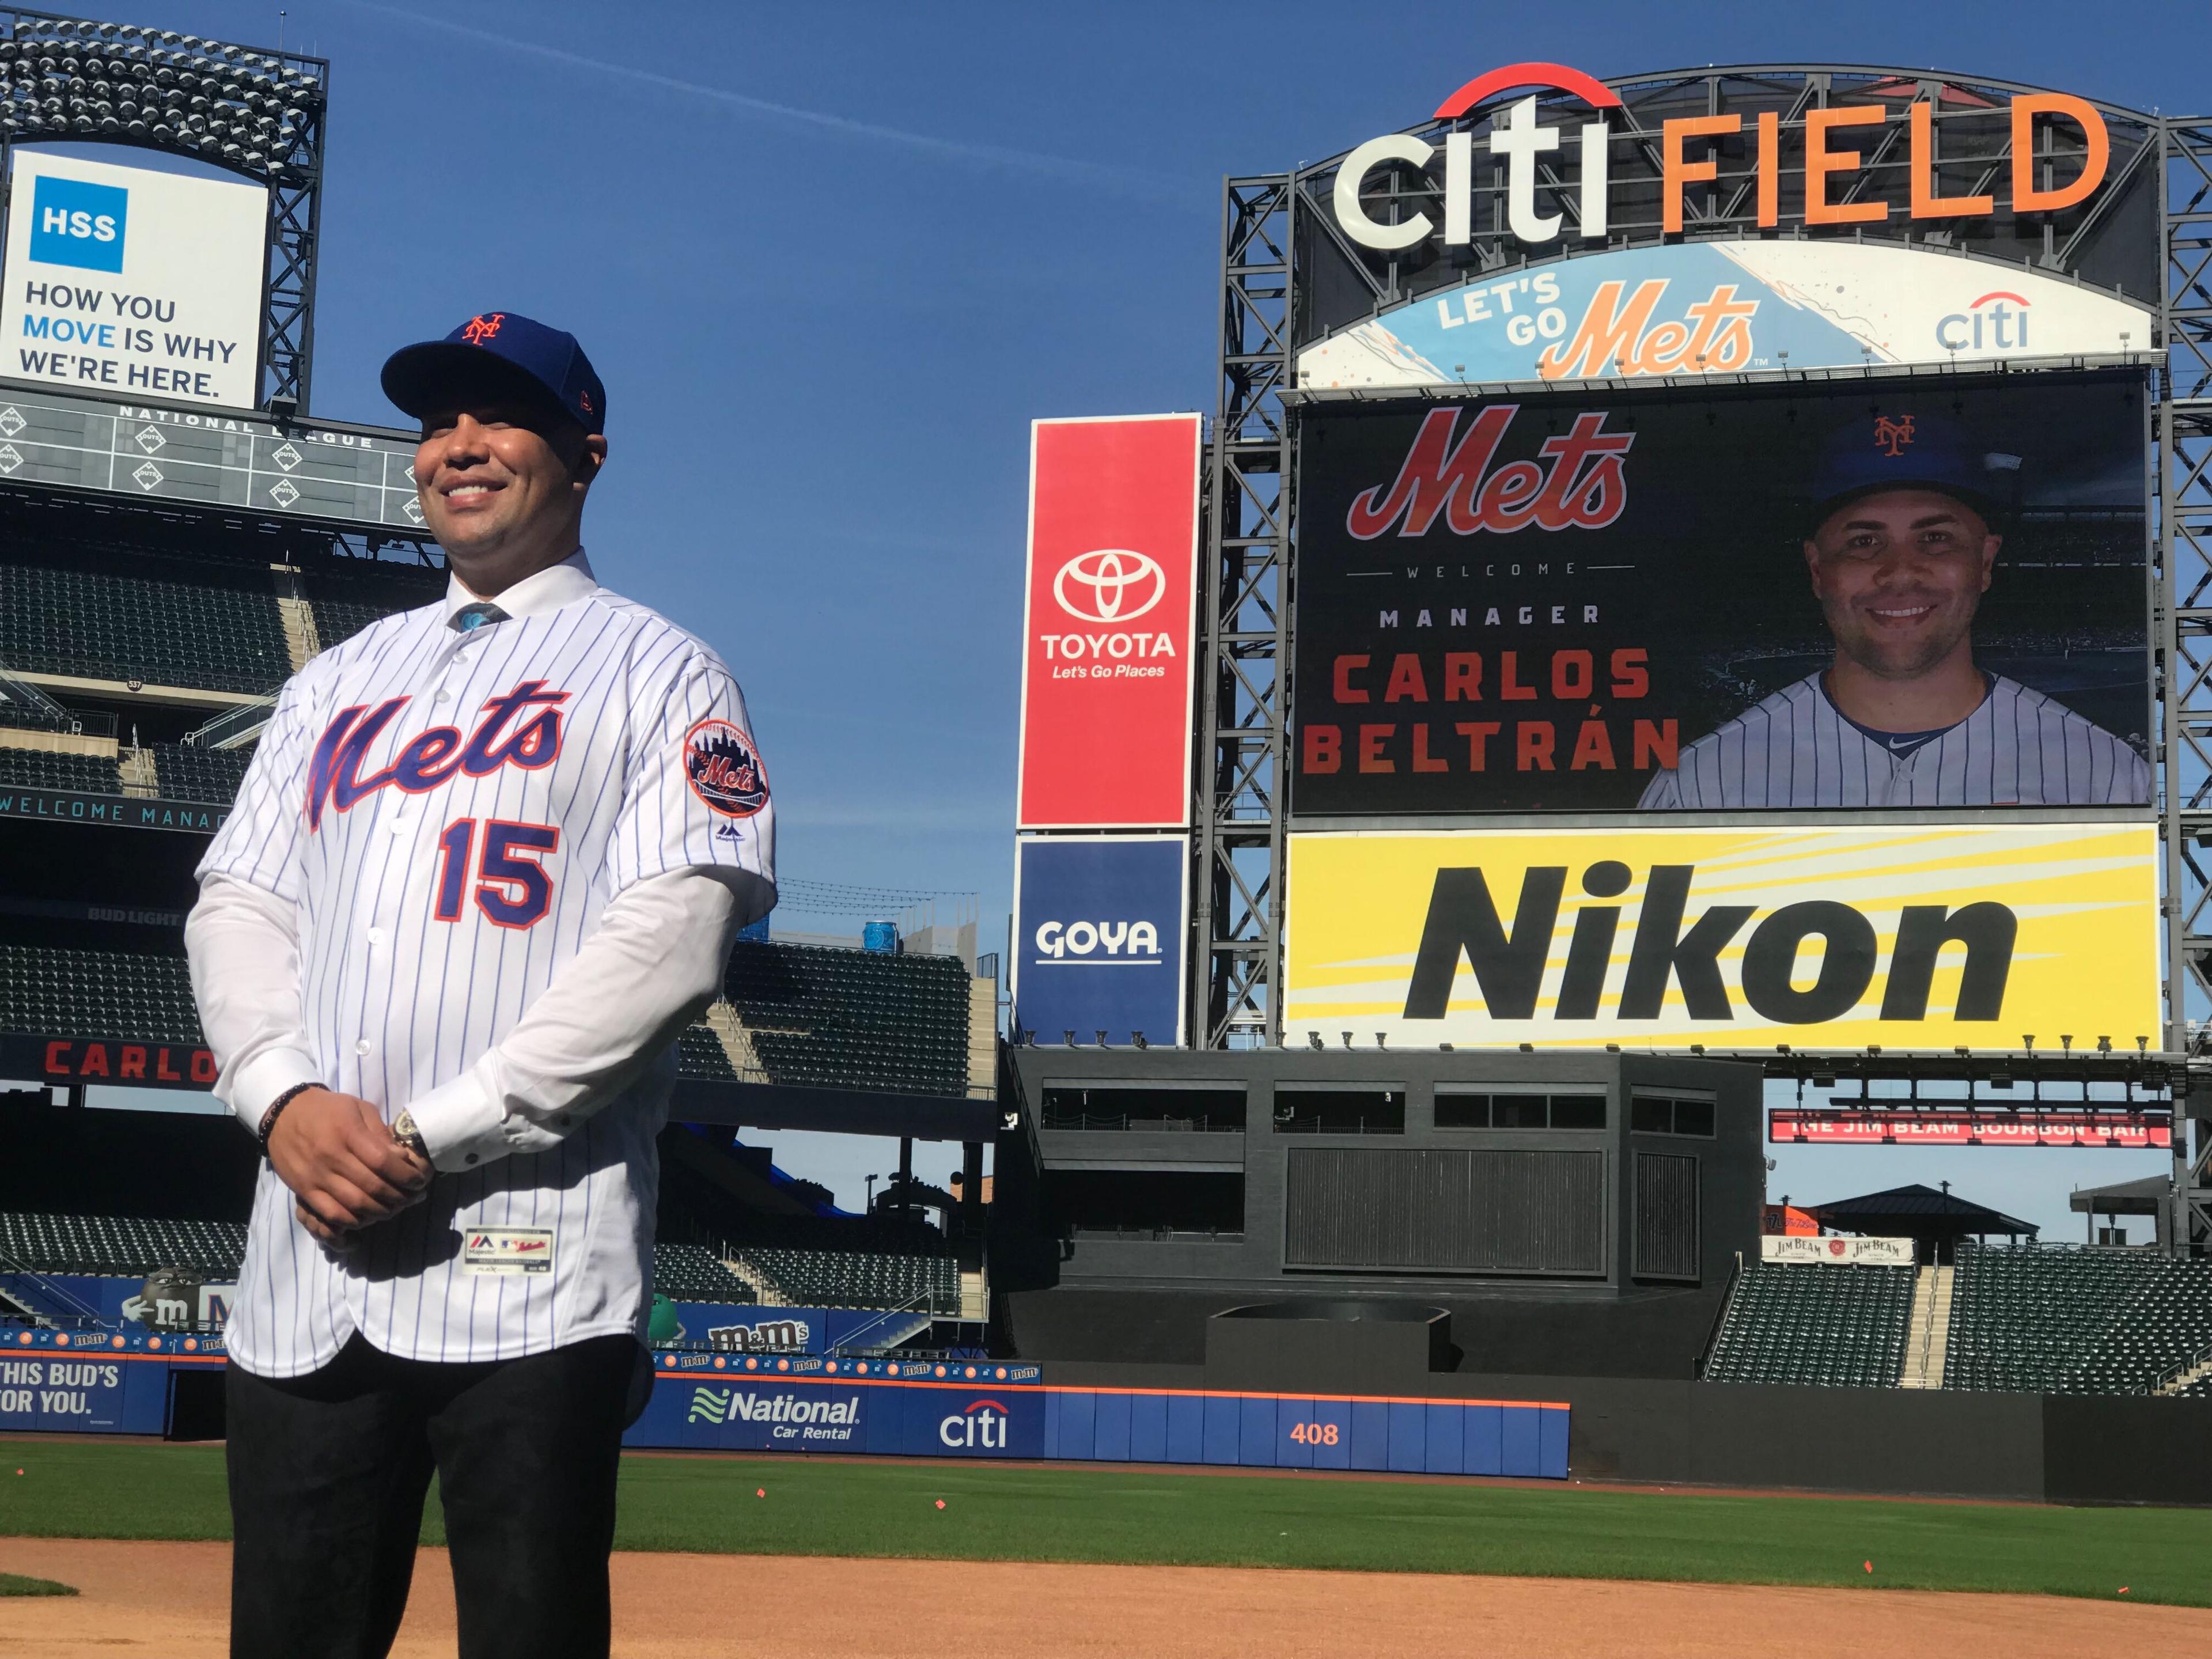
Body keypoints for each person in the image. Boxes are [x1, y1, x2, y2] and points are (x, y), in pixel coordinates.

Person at [185, 311, 775, 1659]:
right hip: (305, 1268)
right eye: (438, 417)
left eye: (500, 414)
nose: (460, 442)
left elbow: (673, 935)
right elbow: (240, 904)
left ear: (584, 453)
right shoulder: (336, 681)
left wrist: (426, 1129)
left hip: (527, 1256)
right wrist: (280, 1096)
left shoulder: (662, 667)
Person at [1638, 409, 2149, 808]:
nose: (1901, 572)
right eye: (1863, 542)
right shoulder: (1703, 781)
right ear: (1818, 570)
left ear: (1986, 560)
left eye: (1935, 538)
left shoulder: (2104, 773)